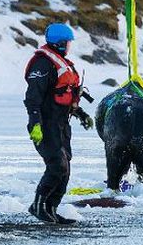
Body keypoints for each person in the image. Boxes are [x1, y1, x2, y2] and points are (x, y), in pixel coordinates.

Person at [23, 23, 94, 224]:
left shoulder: (61, 63)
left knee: (65, 169)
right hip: (45, 124)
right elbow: (33, 98)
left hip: (62, 124)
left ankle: (51, 209)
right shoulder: (42, 64)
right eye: (68, 43)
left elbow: (64, 95)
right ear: (61, 44)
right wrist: (35, 123)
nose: (70, 46)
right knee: (57, 166)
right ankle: (37, 206)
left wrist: (81, 114)